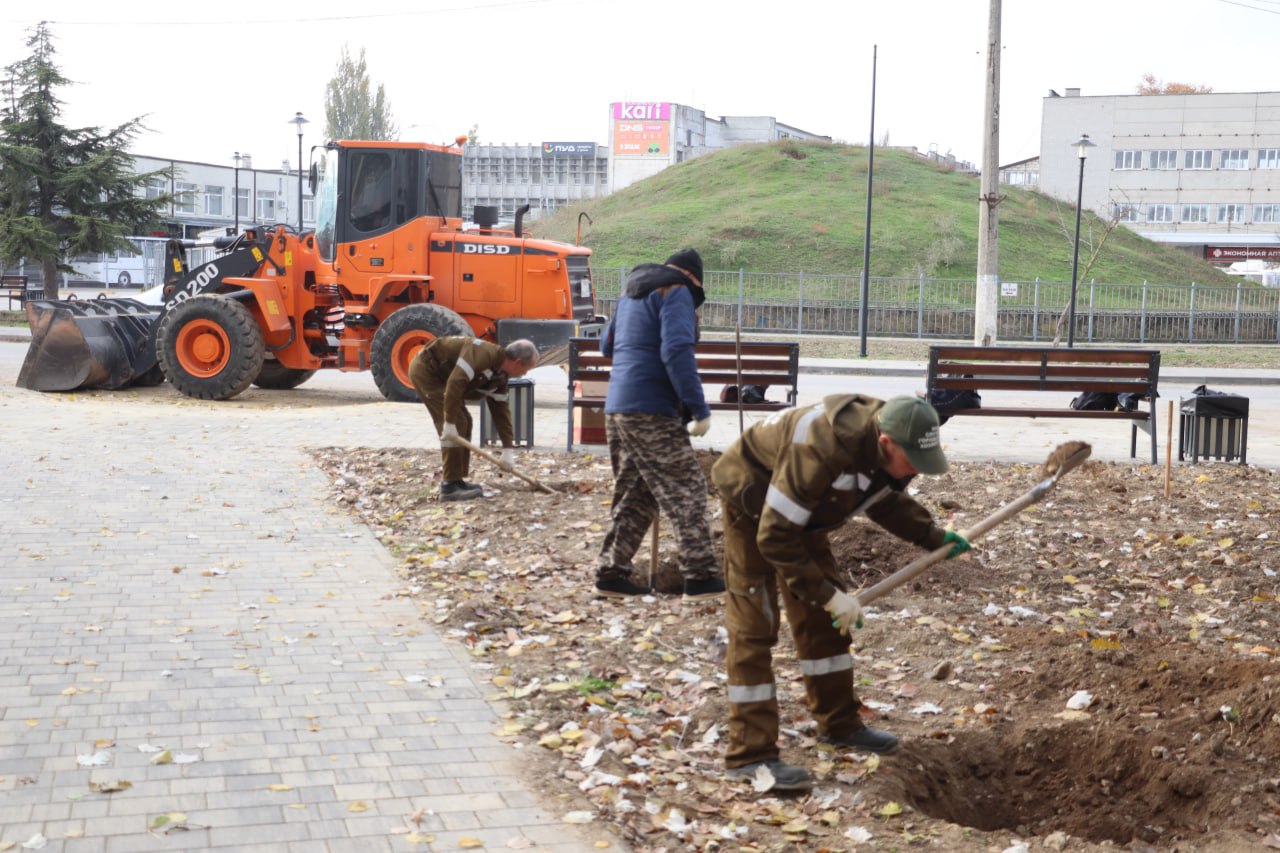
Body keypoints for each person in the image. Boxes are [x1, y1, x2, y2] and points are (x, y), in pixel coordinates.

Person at [710, 394, 970, 791]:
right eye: (912, 460)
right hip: (754, 504)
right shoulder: (819, 448)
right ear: (886, 443)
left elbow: (882, 500)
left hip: (806, 512)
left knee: (826, 623)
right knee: (755, 625)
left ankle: (839, 724)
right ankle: (750, 755)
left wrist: (931, 535)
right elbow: (776, 536)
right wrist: (829, 595)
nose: (916, 470)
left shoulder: (884, 438)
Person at [594, 248, 726, 602]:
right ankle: (701, 578)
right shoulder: (676, 291)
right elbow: (676, 350)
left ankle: (611, 574)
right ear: (693, 279)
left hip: (618, 407)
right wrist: (699, 408)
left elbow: (606, 345)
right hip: (652, 409)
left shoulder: (630, 294)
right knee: (687, 489)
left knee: (636, 494)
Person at [409, 337, 538, 502]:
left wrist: (508, 450)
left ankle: (457, 480)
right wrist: (448, 423)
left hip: (445, 377)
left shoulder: (500, 376)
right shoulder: (483, 355)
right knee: (458, 422)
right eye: (526, 369)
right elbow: (456, 382)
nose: (525, 374)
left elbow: (501, 412)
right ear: (517, 362)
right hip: (427, 371)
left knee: (466, 421)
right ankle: (449, 487)